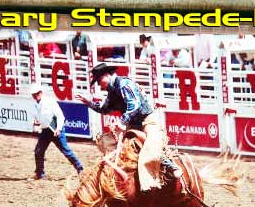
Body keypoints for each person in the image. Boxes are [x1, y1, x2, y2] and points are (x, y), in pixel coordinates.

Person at [75, 63, 182, 191]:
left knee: (149, 146)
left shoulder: (124, 84)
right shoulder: (113, 91)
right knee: (108, 143)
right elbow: (105, 109)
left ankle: (170, 165)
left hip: (147, 120)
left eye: (99, 80)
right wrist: (89, 103)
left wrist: (122, 121)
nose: (99, 84)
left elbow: (135, 105)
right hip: (133, 124)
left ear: (106, 76)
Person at [30, 84, 84, 180]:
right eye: (33, 94)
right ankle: (39, 173)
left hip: (55, 129)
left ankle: (80, 169)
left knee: (66, 151)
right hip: (45, 130)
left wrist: (58, 128)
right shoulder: (34, 105)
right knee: (38, 151)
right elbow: (36, 118)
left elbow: (60, 116)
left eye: (37, 93)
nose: (35, 96)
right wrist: (35, 123)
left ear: (41, 93)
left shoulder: (50, 102)